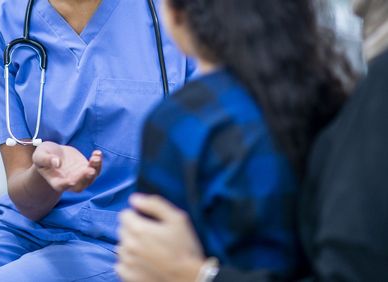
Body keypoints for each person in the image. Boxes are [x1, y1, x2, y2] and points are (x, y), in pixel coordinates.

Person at [0, 0, 196, 281]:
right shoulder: (1, 26)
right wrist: (44, 175)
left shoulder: (177, 15)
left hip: (129, 235)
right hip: (27, 225)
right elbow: (25, 198)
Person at [118, 0, 388, 281]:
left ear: (176, 15)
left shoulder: (182, 121)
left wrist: (198, 275)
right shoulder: (329, 96)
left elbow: (148, 261)